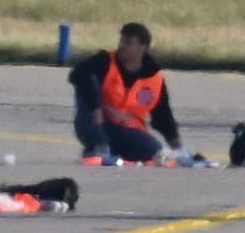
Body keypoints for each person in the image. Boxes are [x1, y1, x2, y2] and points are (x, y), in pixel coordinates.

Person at [68, 22, 195, 165]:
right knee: (88, 82)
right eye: (121, 41)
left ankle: (112, 152)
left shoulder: (154, 79)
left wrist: (177, 147)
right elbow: (77, 75)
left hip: (128, 130)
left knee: (155, 152)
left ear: (143, 48)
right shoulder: (104, 61)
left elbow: (163, 116)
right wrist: (102, 108)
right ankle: (99, 147)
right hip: (97, 123)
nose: (122, 46)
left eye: (128, 42)